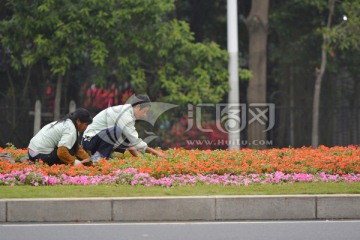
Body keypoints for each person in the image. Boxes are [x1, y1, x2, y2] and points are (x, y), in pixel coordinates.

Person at [81, 94, 164, 159]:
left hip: (96, 141)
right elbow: (136, 141)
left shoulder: (128, 113)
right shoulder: (125, 115)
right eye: (145, 111)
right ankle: (98, 157)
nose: (145, 115)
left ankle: (104, 155)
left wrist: (139, 158)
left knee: (125, 134)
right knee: (117, 131)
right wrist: (156, 153)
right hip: (89, 142)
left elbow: (130, 141)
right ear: (138, 107)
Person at [28, 108, 93, 166]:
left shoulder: (66, 123)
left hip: (31, 153)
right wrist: (74, 163)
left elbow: (75, 146)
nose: (86, 127)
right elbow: (61, 152)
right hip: (40, 156)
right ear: (78, 121)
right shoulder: (71, 130)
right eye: (86, 124)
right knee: (69, 150)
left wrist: (88, 159)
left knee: (70, 146)